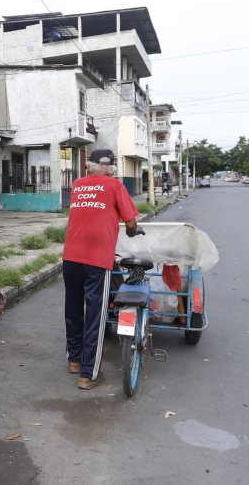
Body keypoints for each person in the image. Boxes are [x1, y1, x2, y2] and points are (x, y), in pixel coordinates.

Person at [62, 148, 141, 390]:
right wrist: (131, 231)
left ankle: (74, 360)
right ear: (111, 169)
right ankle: (89, 375)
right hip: (97, 259)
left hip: (71, 256)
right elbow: (130, 222)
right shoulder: (115, 186)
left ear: (88, 166)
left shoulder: (77, 184)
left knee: (73, 309)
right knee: (96, 314)